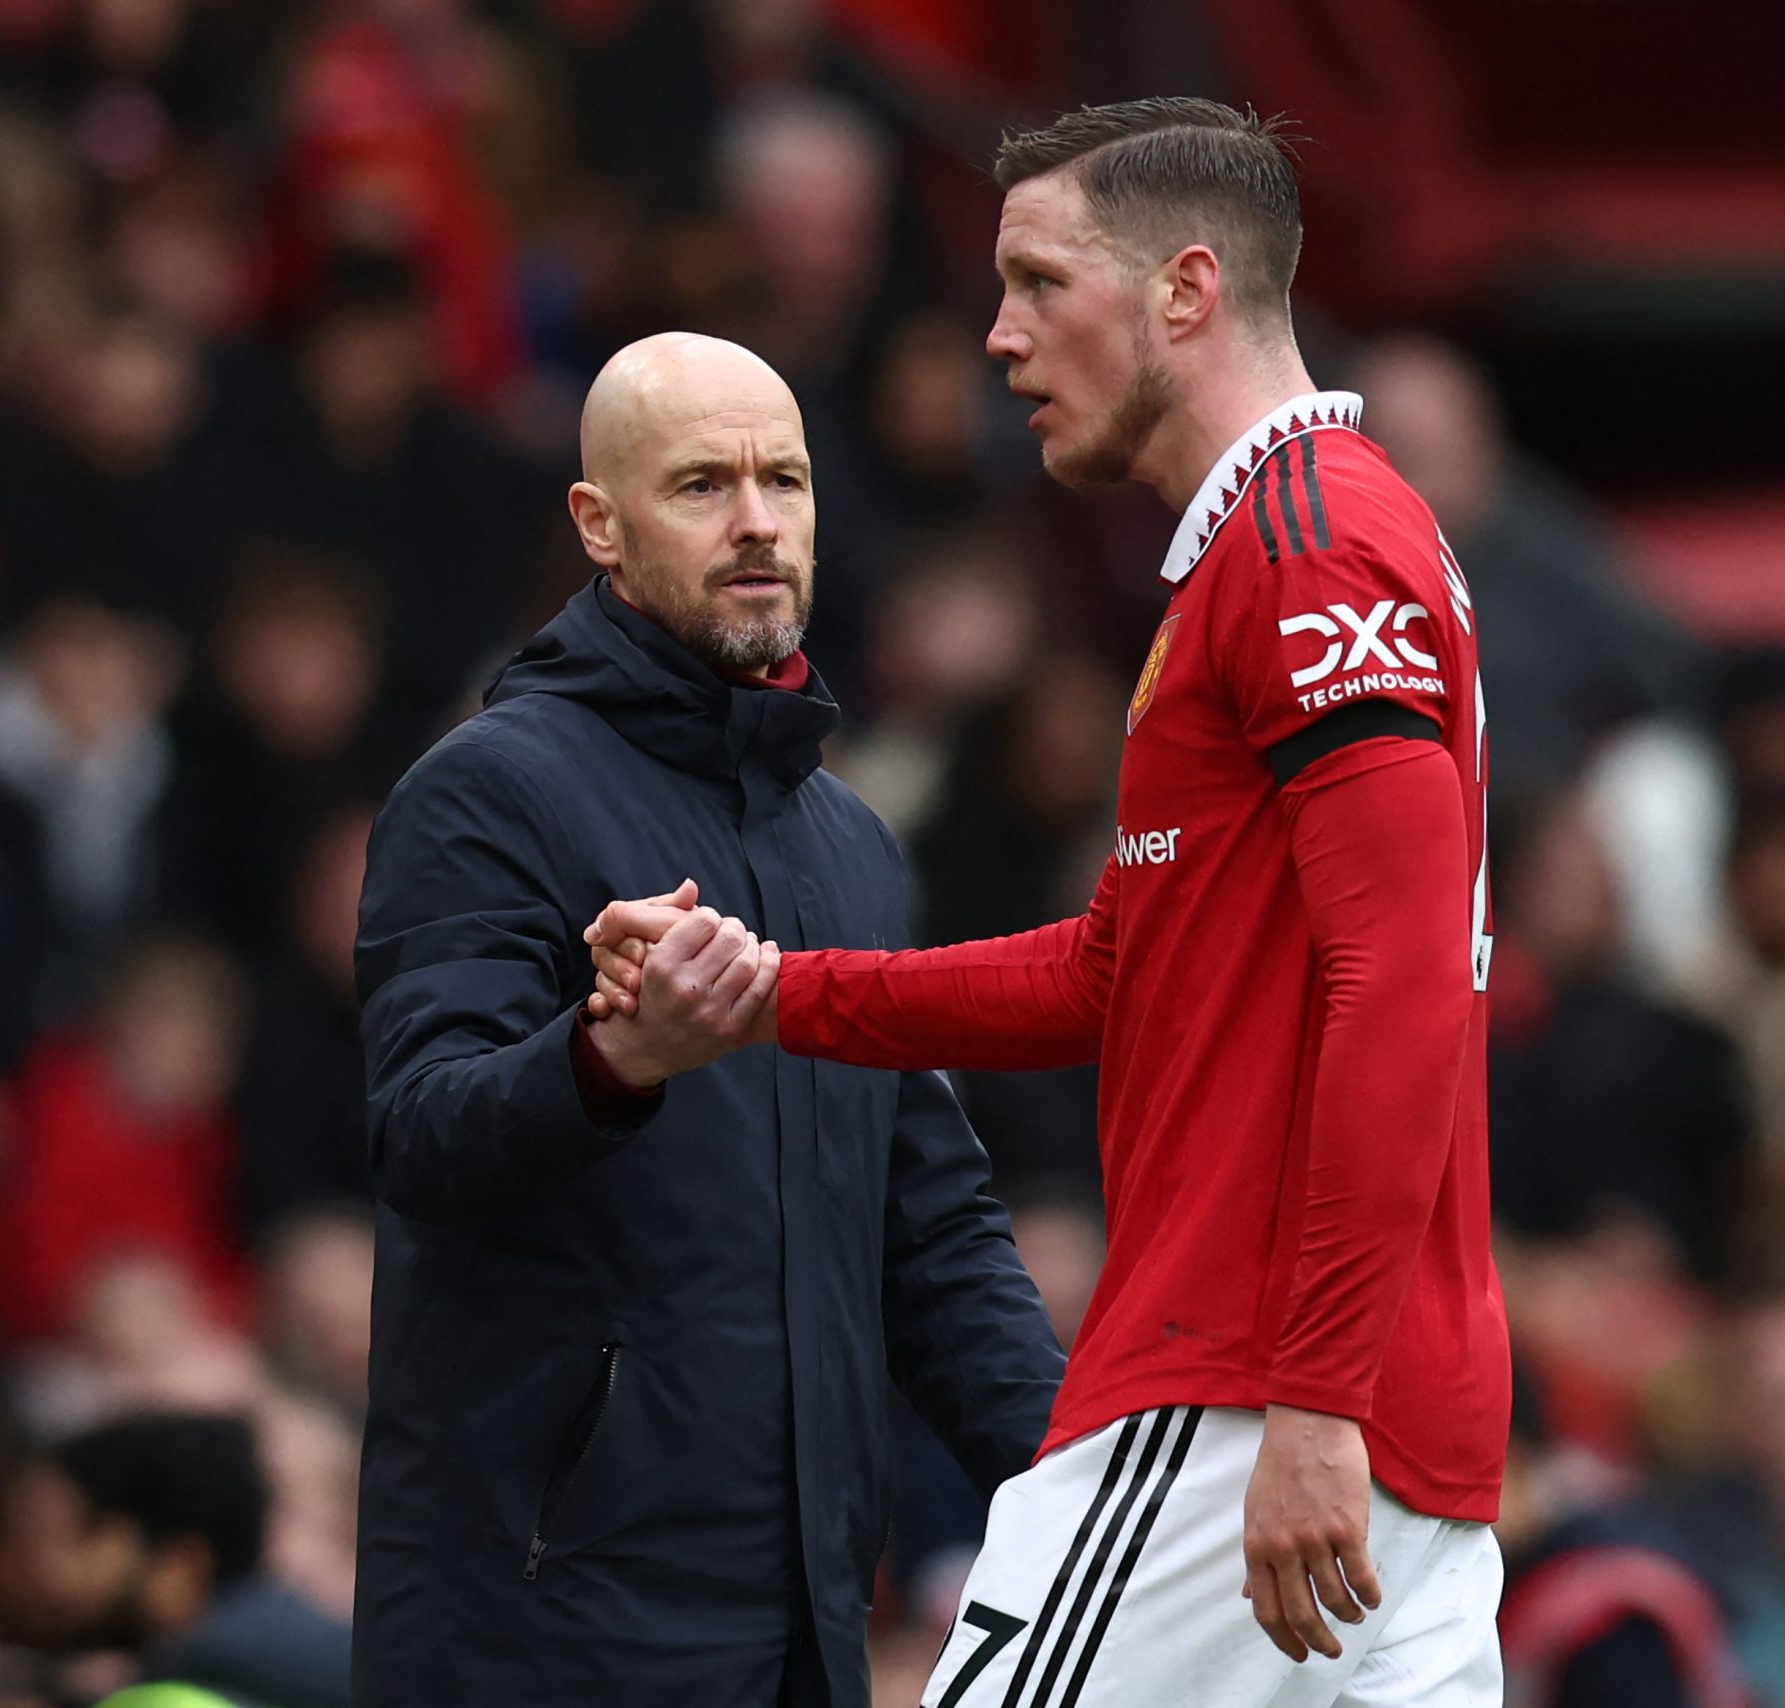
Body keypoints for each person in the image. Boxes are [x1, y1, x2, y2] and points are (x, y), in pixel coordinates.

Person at [593, 99, 1508, 1706]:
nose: (999, 337)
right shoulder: (1300, 543)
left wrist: (1312, 1395)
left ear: (1184, 291)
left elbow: (1405, 976)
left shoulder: (1307, 547)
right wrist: (768, 994)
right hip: (1378, 1423)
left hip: (1243, 1409)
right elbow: (1116, 972)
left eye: (1037, 281)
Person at [351, 332, 1063, 1705]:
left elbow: (929, 1225)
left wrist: (1080, 1486)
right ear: (598, 526)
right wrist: (615, 1059)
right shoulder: (486, 793)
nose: (757, 522)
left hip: (801, 1620)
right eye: (701, 485)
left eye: (783, 482)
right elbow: (421, 1135)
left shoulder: (852, 844)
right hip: (541, 1629)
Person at [0, 1410, 352, 1708]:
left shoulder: (229, 1658)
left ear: (182, 1567)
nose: (44, 1569)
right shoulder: (265, 1641)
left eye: (83, 1535)